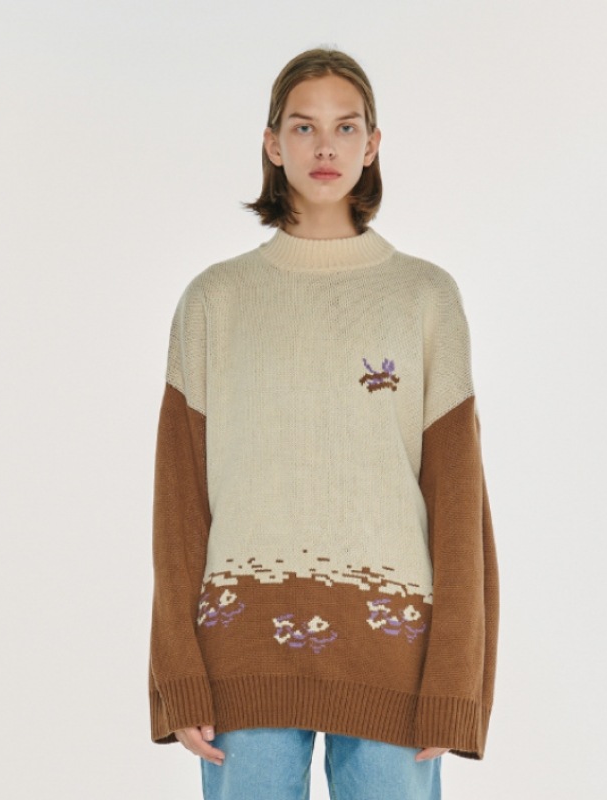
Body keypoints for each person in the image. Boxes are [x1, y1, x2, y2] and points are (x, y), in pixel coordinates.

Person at [148, 47, 500, 800]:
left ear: (373, 145)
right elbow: (178, 507)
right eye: (304, 127)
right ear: (273, 144)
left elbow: (459, 506)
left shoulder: (424, 297)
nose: (325, 146)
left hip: (396, 656)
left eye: (346, 127)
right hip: (241, 652)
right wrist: (178, 673)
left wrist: (456, 680)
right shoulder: (215, 300)